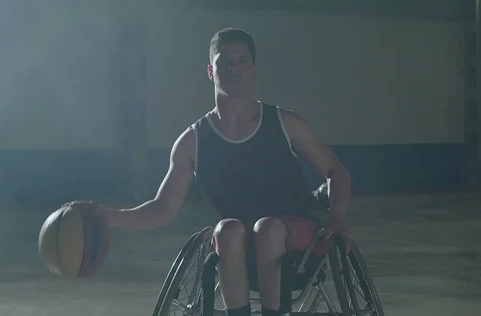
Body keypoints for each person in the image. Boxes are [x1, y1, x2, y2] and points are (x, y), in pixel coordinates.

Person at [65, 28, 352, 316]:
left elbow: (335, 171)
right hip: (239, 245)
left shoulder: (285, 123)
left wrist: (338, 217)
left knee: (267, 227)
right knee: (226, 229)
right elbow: (162, 208)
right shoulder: (193, 141)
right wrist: (106, 216)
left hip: (298, 239)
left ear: (253, 70)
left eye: (241, 61)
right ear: (210, 71)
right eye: (224, 61)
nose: (233, 68)